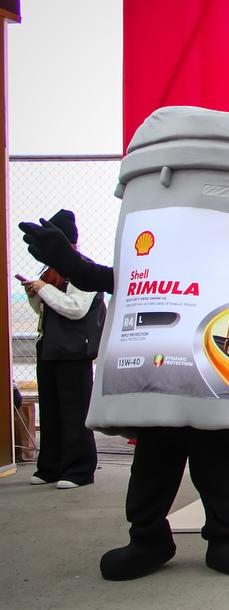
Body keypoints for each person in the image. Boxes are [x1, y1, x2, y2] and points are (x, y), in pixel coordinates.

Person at [21, 209, 104, 489]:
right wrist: (35, 294)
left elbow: (76, 309)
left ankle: (79, 469)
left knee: (74, 411)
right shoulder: (51, 272)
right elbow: (47, 310)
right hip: (50, 348)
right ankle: (51, 466)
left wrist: (44, 289)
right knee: (51, 408)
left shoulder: (84, 269)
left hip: (74, 352)